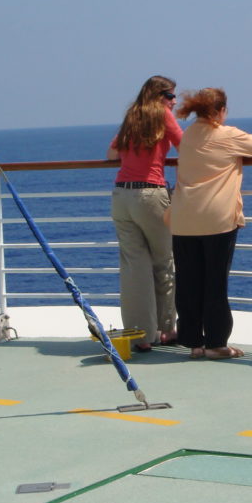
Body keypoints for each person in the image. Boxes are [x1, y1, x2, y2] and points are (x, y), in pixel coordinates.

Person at [168, 88, 252, 359]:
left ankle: (194, 343)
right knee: (215, 282)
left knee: (189, 281)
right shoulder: (227, 135)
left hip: (183, 217)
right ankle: (216, 343)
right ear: (220, 110)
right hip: (216, 219)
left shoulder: (188, 135)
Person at [107, 75, 182, 352]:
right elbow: (184, 146)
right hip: (150, 194)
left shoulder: (132, 116)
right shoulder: (162, 115)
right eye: (171, 96)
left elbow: (112, 153)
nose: (174, 102)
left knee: (133, 268)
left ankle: (140, 336)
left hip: (121, 196)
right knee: (164, 262)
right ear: (160, 96)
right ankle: (166, 329)